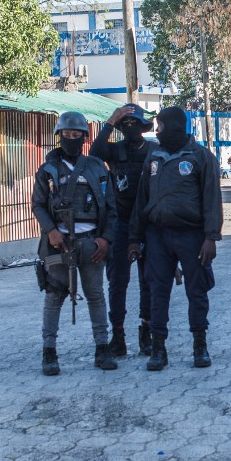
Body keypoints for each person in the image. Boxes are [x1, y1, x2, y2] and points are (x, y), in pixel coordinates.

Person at [128, 107, 222, 371]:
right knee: (158, 290)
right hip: (157, 234)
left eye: (160, 126)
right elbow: (141, 200)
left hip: (192, 235)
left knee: (197, 290)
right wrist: (135, 238)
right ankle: (158, 348)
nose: (157, 131)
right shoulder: (153, 157)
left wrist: (211, 237)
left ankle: (199, 346)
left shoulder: (201, 157)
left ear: (174, 127)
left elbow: (212, 200)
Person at [32, 111, 118, 375]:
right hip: (59, 245)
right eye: (66, 135)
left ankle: (102, 348)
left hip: (91, 242)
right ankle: (49, 352)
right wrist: (50, 232)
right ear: (59, 137)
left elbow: (111, 208)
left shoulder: (95, 167)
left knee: (95, 296)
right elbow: (37, 205)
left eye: (76, 135)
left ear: (84, 137)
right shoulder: (47, 170)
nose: (71, 139)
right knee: (54, 296)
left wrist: (105, 239)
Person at [89, 103, 159, 358]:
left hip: (148, 221)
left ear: (143, 127)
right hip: (119, 221)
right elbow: (95, 153)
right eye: (125, 125)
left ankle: (146, 331)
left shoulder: (154, 150)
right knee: (118, 281)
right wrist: (111, 120)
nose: (130, 128)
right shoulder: (115, 150)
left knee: (148, 280)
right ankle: (117, 334)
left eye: (134, 124)